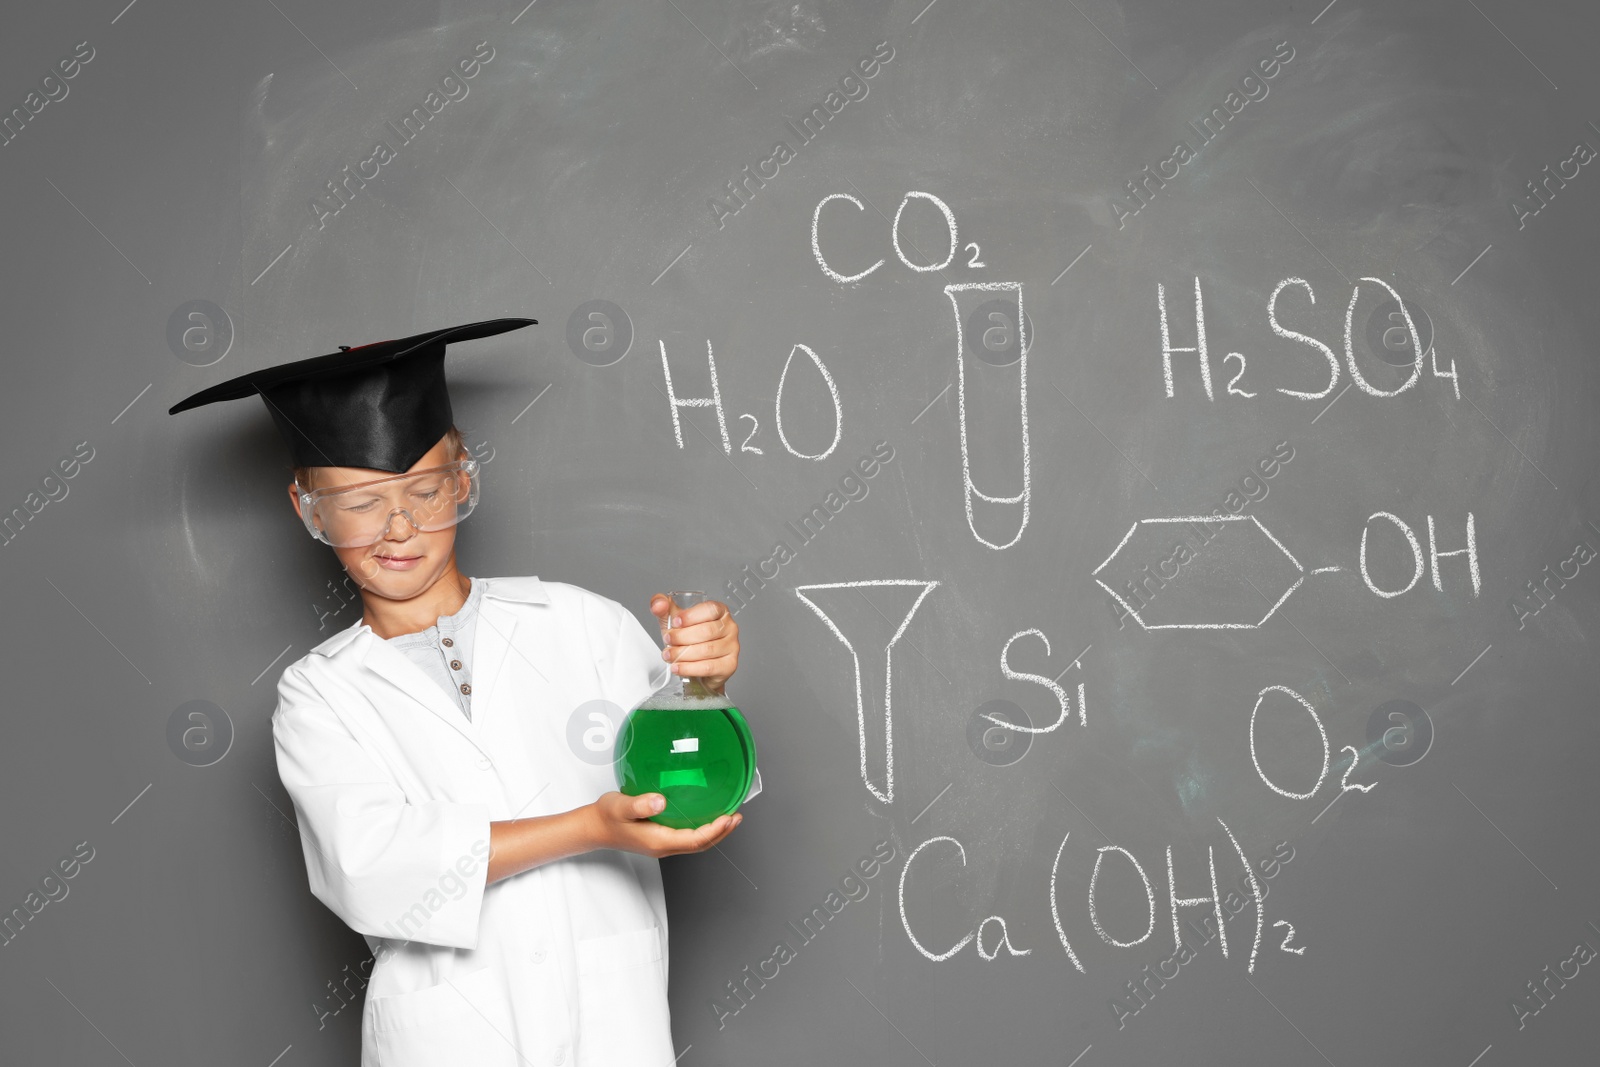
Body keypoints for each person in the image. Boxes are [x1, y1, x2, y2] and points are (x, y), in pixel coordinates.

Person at [168, 318, 748, 1066]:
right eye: (360, 500)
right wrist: (590, 827)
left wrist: (706, 681)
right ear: (307, 507)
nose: (399, 525)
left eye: (423, 488)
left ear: (462, 478)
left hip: (614, 1029)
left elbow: (690, 790)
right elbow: (371, 869)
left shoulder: (580, 622)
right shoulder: (319, 695)